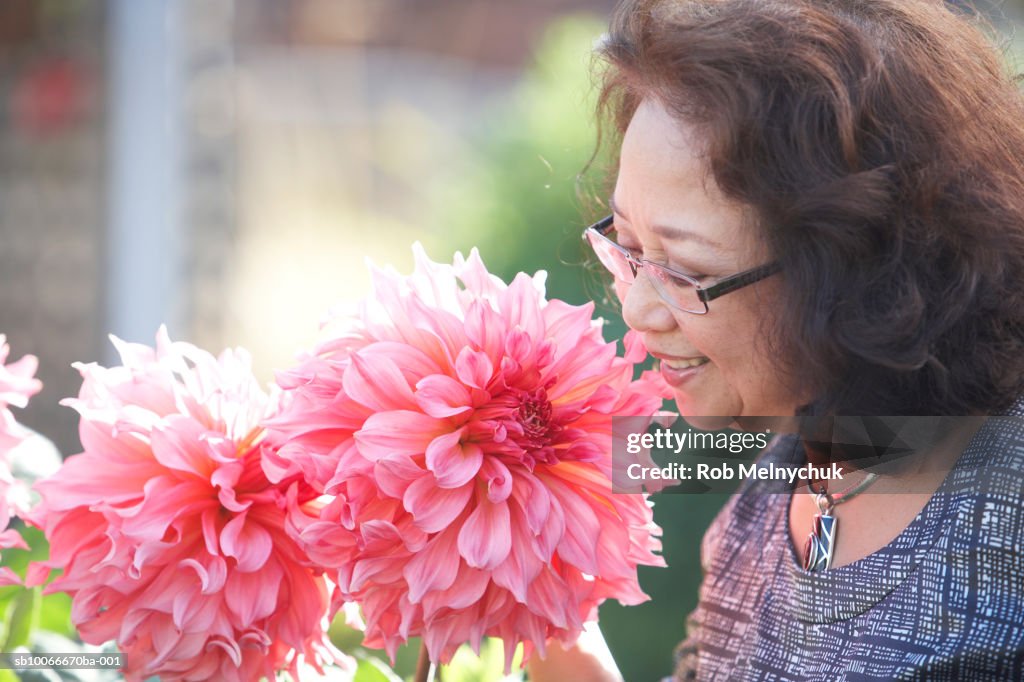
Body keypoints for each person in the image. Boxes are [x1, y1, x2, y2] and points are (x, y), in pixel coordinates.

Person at [529, 0, 1024, 679]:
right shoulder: (800, 452)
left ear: (856, 266)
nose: (638, 309)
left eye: (688, 271)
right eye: (628, 247)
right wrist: (537, 588)